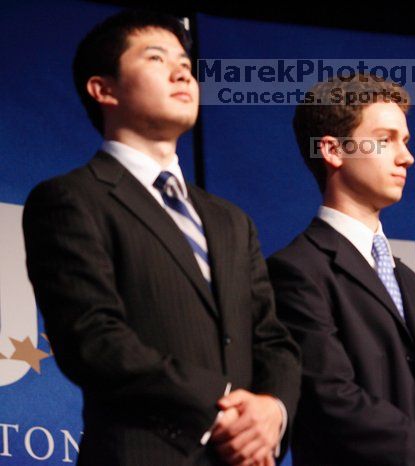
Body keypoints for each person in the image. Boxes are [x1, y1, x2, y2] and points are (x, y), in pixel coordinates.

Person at [22, 10, 300, 466]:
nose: (182, 72)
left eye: (186, 65)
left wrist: (273, 410)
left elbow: (272, 339)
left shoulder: (231, 220)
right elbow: (94, 339)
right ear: (103, 89)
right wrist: (223, 407)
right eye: (156, 58)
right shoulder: (72, 199)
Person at [266, 75, 415, 466]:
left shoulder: (412, 288)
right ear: (332, 150)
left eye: (406, 141)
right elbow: (331, 398)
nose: (406, 157)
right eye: (386, 139)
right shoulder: (297, 271)